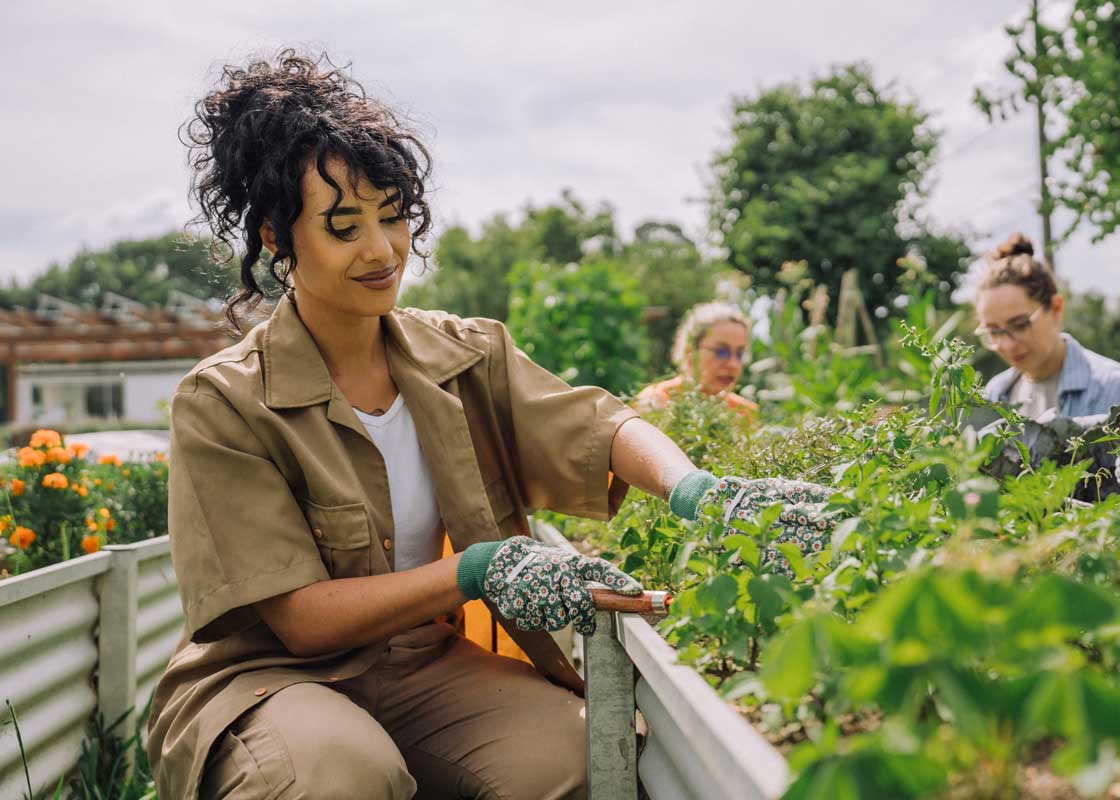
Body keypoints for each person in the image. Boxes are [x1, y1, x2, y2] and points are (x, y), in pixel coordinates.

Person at [148, 51, 825, 800]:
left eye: (393, 216)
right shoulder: (224, 402)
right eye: (344, 228)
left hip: (417, 663)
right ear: (276, 236)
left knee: (574, 758)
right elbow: (302, 621)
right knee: (338, 775)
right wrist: (478, 570)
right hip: (268, 679)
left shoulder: (465, 354)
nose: (382, 251)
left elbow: (596, 424)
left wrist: (697, 489)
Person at [976, 234, 1120, 422]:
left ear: (1055, 308)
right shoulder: (994, 396)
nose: (1007, 344)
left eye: (1020, 325)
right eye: (994, 331)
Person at [636, 301, 758, 416]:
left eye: (740, 354)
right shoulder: (655, 402)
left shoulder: (745, 413)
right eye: (721, 352)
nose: (733, 364)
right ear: (690, 352)